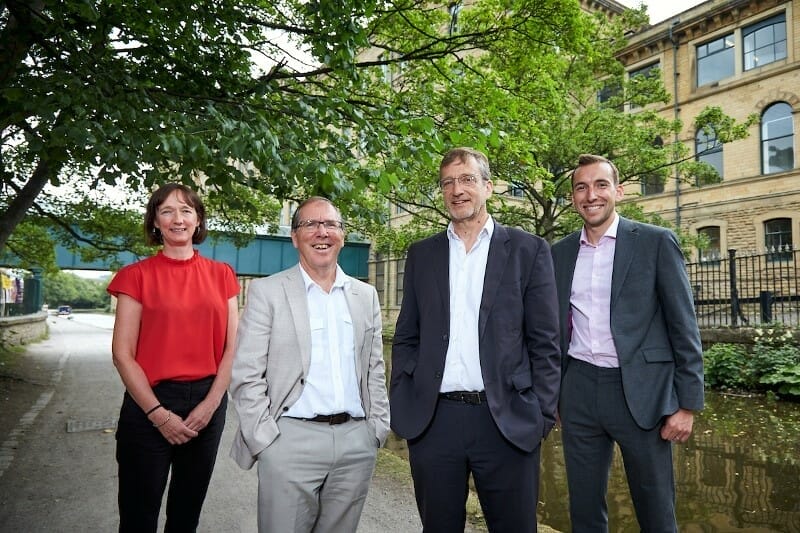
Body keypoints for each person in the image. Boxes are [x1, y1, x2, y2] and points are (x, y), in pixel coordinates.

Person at [391, 147, 561, 533]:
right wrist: (404, 396)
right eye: (448, 182)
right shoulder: (422, 254)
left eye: (467, 179)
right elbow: (407, 337)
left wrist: (541, 414)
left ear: (488, 186)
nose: (457, 190)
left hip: (505, 419)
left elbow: (546, 341)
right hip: (435, 421)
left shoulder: (527, 249)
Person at [551, 154, 705, 532]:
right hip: (580, 390)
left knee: (656, 511)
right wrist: (554, 394)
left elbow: (683, 326)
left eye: (601, 185)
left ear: (618, 191)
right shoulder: (559, 252)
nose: (591, 195)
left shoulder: (655, 242)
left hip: (641, 392)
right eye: (581, 187)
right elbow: (553, 329)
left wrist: (687, 405)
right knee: (584, 511)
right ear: (573, 198)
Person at [229, 196, 390, 533]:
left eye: (330, 224)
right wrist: (265, 440)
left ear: (342, 235)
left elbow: (374, 369)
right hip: (288, 441)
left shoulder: (365, 295)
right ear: (294, 236)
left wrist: (376, 429)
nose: (322, 232)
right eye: (310, 224)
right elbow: (246, 374)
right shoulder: (267, 292)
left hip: (355, 443)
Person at [107, 183, 240, 532]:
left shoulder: (222, 274)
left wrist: (211, 405)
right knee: (138, 516)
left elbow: (233, 347)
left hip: (208, 403)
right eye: (166, 211)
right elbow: (122, 354)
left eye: (186, 210)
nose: (177, 219)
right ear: (155, 222)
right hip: (148, 404)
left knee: (185, 515)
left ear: (198, 220)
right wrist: (158, 415)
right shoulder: (135, 277)